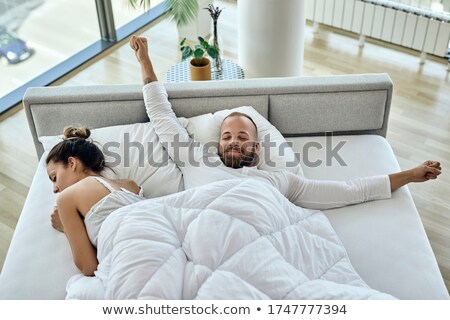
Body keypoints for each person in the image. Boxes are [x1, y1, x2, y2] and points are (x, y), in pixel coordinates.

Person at [130, 35, 441, 208]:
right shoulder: (195, 159)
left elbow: (349, 190)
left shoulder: (278, 180)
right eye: (226, 136)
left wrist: (410, 175)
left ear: (256, 145)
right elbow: (160, 113)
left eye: (242, 136)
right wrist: (145, 59)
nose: (233, 141)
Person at [47, 126, 145, 276]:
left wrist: (64, 227)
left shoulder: (67, 198)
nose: (55, 189)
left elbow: (89, 267)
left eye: (54, 178)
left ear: (72, 163)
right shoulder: (130, 185)